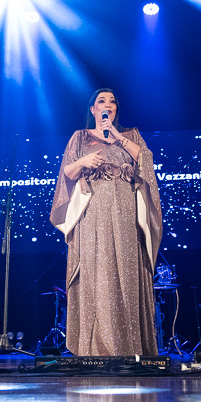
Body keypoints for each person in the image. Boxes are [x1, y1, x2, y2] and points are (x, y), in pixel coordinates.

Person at [50, 88, 162, 356]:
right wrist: (85, 160)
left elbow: (145, 159)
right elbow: (67, 172)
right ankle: (96, 346)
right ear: (93, 109)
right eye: (102, 101)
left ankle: (128, 344)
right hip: (93, 212)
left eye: (112, 101)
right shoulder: (79, 138)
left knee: (125, 269)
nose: (107, 105)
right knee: (96, 270)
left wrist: (118, 136)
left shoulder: (130, 135)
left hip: (125, 209)